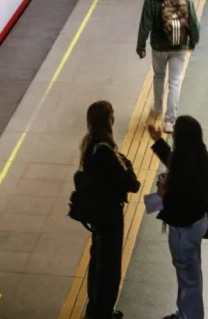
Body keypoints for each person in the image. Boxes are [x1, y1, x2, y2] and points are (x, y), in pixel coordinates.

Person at [147, 116, 208, 319]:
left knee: (188, 278)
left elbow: (180, 201)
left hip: (183, 230)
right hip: (198, 223)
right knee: (191, 273)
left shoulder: (184, 164)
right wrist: (159, 142)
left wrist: (163, 194)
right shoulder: (200, 155)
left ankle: (189, 316)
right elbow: (176, 164)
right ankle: (184, 313)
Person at [78, 101, 142, 319]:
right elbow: (132, 184)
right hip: (109, 216)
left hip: (97, 214)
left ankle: (95, 308)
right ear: (108, 120)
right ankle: (103, 312)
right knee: (109, 266)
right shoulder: (106, 151)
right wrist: (126, 164)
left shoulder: (90, 144)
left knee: (98, 260)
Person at [137, 0, 200, 134]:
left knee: (158, 76)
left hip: (158, 46)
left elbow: (145, 24)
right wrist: (193, 41)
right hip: (179, 45)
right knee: (174, 81)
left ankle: (157, 107)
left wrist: (141, 46)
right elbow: (194, 22)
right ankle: (170, 121)